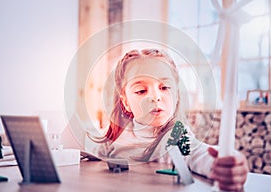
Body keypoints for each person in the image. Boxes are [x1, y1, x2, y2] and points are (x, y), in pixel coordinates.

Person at [88, 48, 248, 191]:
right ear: (125, 102)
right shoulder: (118, 135)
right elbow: (94, 151)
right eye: (141, 91)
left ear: (176, 95)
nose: (155, 97)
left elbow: (198, 153)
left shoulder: (176, 134)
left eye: (164, 88)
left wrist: (223, 161)